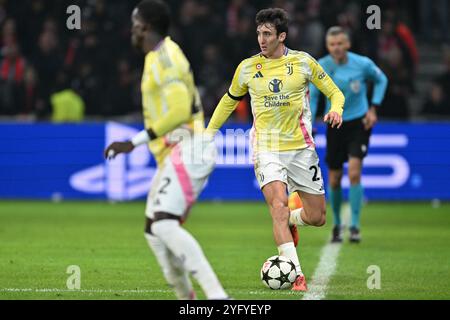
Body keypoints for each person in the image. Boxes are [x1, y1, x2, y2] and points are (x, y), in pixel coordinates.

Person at [205, 8, 345, 291]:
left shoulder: (303, 62)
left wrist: (337, 109)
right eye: (259, 33)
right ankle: (296, 274)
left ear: (282, 36)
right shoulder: (247, 68)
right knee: (277, 206)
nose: (261, 39)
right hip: (266, 148)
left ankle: (293, 220)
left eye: (267, 33)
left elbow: (335, 92)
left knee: (317, 217)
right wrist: (208, 134)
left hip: (301, 149)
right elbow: (229, 100)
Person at [104, 0, 228, 300]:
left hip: (189, 147)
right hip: (174, 152)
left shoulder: (167, 58)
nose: (132, 32)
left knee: (164, 224)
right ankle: (187, 298)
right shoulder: (154, 57)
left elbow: (178, 110)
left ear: (145, 27)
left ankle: (219, 299)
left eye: (134, 26)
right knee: (153, 230)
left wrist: (132, 143)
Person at [310, 26, 388, 243]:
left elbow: (382, 80)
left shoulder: (362, 64)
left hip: (358, 123)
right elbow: (314, 95)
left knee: (354, 173)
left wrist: (373, 108)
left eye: (340, 44)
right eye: (332, 44)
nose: (336, 48)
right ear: (327, 46)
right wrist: (310, 120)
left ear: (347, 44)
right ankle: (337, 224)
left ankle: (354, 225)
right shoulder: (321, 66)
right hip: (334, 124)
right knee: (334, 179)